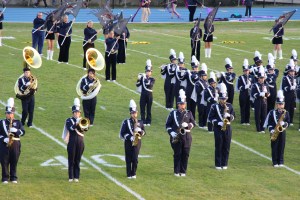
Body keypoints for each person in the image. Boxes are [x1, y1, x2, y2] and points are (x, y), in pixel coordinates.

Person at [165, 89, 195, 176]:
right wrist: (171, 133)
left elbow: (193, 123)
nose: (183, 106)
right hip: (176, 136)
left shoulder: (188, 113)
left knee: (186, 154)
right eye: (181, 104)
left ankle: (183, 171)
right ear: (178, 104)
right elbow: (167, 125)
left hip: (187, 136)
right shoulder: (173, 113)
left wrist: (188, 125)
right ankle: (176, 171)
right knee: (177, 154)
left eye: (184, 104)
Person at [208, 83, 235, 170]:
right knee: (219, 146)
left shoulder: (229, 106)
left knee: (226, 146)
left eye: (225, 98)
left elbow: (234, 116)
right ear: (219, 99)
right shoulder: (214, 106)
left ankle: (224, 163)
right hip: (218, 128)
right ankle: (218, 164)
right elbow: (210, 118)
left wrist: (229, 116)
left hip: (227, 128)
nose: (224, 100)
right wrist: (217, 123)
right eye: (222, 99)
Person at [0, 98, 25, 184]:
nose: (10, 115)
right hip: (4, 144)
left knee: (14, 160)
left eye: (11, 113)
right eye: (8, 113)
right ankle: (5, 177)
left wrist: (16, 131)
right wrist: (4, 138)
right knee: (4, 161)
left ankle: (13, 177)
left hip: (15, 144)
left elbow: (23, 132)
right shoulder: (1, 122)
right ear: (6, 114)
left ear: (13, 114)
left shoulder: (18, 122)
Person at [119, 99, 146, 179]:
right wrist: (130, 137)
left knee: (135, 158)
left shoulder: (140, 122)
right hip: (128, 142)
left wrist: (140, 132)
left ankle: (133, 172)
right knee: (128, 158)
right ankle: (128, 173)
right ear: (130, 113)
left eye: (135, 113)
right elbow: (122, 133)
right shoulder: (126, 122)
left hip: (137, 142)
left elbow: (144, 132)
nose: (134, 114)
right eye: (133, 113)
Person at [264, 90, 290, 167]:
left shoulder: (286, 113)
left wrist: (284, 124)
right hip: (274, 131)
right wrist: (271, 129)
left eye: (282, 104)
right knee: (274, 147)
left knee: (282, 146)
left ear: (284, 105)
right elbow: (269, 123)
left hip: (282, 132)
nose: (281, 106)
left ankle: (281, 161)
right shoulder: (272, 112)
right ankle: (275, 161)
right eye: (279, 104)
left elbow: (288, 122)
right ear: (276, 105)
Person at [62, 98, 86, 182]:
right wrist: (76, 123)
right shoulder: (69, 120)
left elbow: (85, 130)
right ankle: (70, 176)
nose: (77, 114)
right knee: (71, 159)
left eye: (78, 112)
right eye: (75, 112)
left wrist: (81, 123)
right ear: (73, 113)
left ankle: (77, 176)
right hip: (72, 141)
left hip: (80, 141)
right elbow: (71, 128)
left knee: (77, 159)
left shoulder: (82, 120)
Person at [251, 66, 270, 133]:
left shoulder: (266, 85)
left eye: (263, 78)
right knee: (258, 115)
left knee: (264, 115)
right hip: (258, 101)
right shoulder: (254, 85)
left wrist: (267, 94)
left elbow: (268, 93)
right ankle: (258, 128)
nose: (262, 79)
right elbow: (253, 94)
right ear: (258, 78)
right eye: (261, 78)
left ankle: (262, 128)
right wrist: (260, 94)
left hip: (264, 101)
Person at [136, 59, 155, 126]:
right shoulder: (142, 78)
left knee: (149, 109)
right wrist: (138, 79)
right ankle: (143, 121)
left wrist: (144, 78)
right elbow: (137, 85)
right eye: (147, 71)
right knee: (142, 108)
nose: (148, 72)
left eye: (149, 71)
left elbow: (149, 84)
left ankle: (148, 121)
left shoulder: (152, 79)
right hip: (143, 94)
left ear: (151, 72)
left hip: (149, 95)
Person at [236, 59, 252, 125]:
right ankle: (243, 121)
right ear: (243, 71)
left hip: (249, 94)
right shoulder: (240, 77)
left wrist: (250, 87)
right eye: (245, 71)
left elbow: (254, 85)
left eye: (247, 70)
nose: (246, 72)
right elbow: (239, 87)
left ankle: (247, 121)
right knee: (243, 107)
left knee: (248, 108)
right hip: (243, 94)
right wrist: (245, 86)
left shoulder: (252, 77)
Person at [281, 60, 297, 126]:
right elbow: (284, 87)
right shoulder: (285, 78)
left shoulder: (294, 78)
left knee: (292, 108)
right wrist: (290, 88)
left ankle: (291, 121)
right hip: (287, 95)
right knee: (287, 108)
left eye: (293, 71)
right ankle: (286, 120)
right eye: (291, 71)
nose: (292, 73)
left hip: (293, 95)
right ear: (288, 72)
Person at [195, 63, 208, 128]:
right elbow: (198, 91)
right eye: (204, 76)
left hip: (205, 99)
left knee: (205, 111)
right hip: (200, 99)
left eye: (206, 75)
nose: (206, 77)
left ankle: (204, 123)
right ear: (201, 76)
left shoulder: (206, 82)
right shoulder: (198, 83)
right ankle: (200, 123)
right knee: (201, 111)